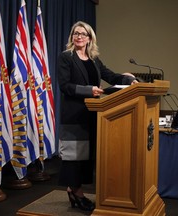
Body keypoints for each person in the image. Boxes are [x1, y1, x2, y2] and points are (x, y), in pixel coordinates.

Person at [57, 21, 137, 211]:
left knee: (86, 157)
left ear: (89, 38)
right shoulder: (66, 57)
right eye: (76, 33)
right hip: (74, 115)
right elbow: (64, 85)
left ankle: (75, 189)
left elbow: (111, 76)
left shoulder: (93, 59)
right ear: (72, 37)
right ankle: (76, 192)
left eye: (83, 34)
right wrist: (88, 90)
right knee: (74, 156)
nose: (79, 37)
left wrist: (129, 78)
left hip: (93, 114)